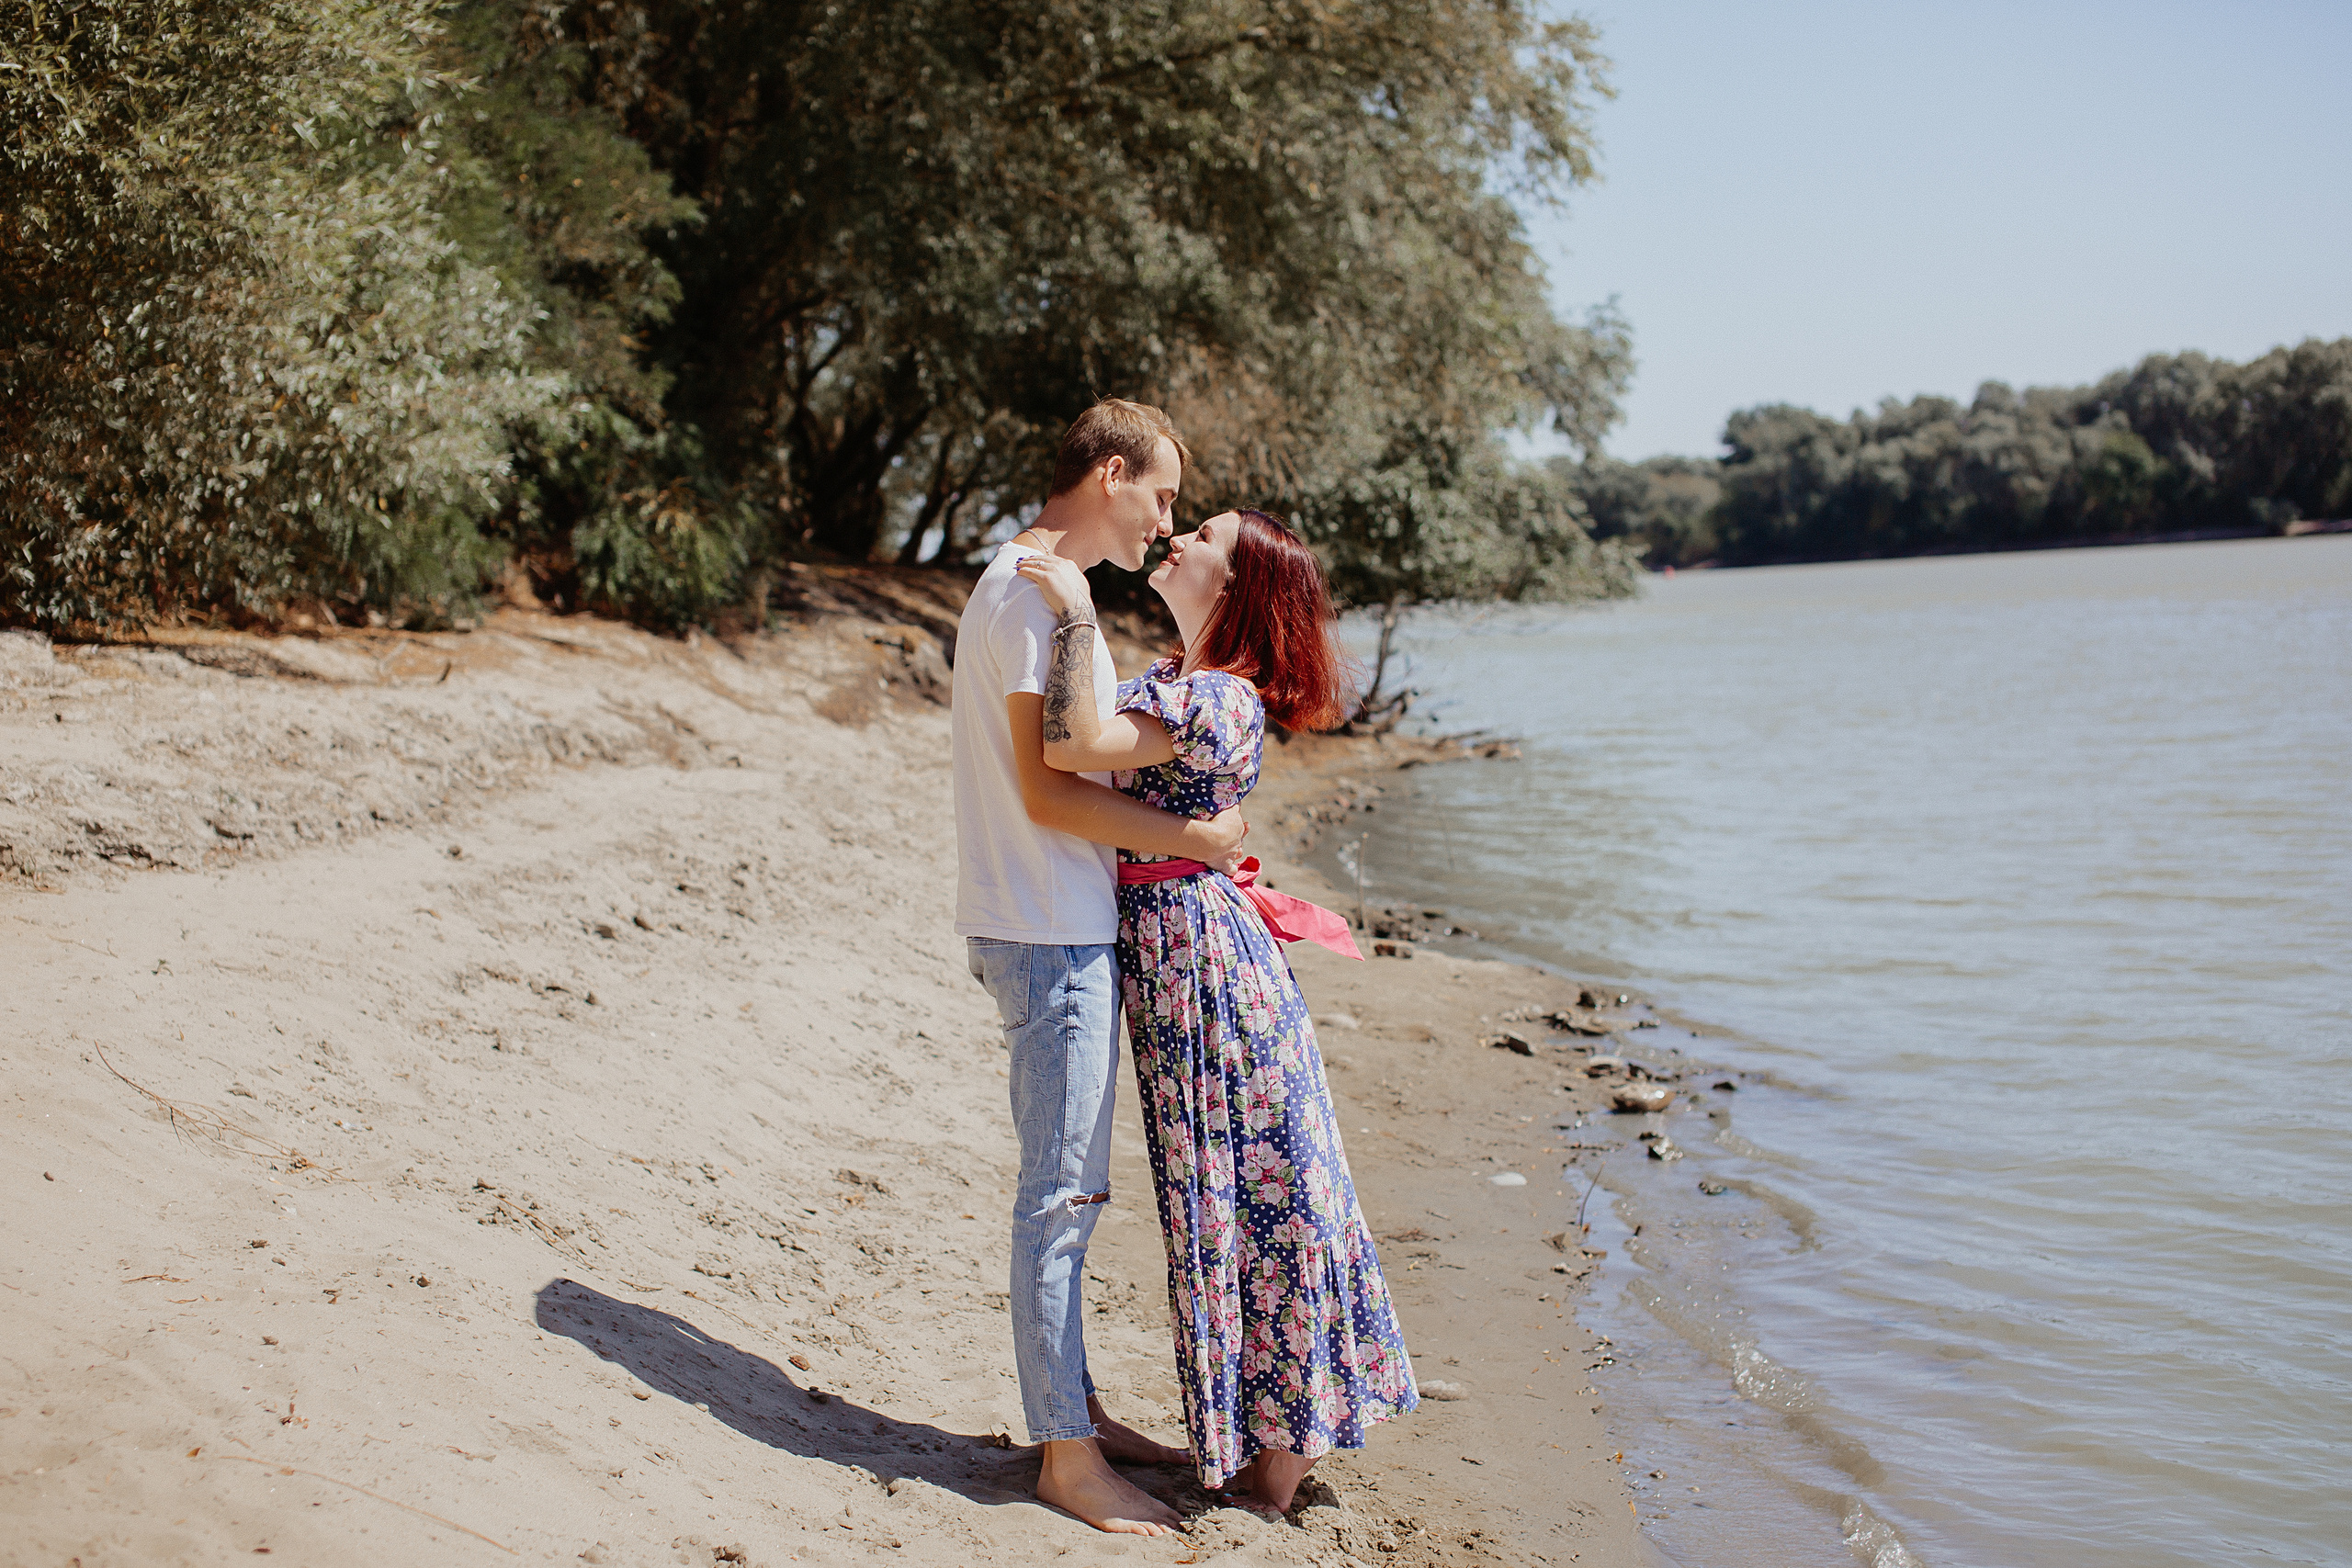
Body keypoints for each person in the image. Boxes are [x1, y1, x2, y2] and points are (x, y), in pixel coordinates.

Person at [1015, 508, 1418, 1518]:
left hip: (1207, 971)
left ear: (1235, 587)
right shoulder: (1188, 684)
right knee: (1231, 1194)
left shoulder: (1217, 698)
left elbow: (1070, 745)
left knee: (1262, 1194)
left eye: (1201, 534)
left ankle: (1278, 1460)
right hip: (1184, 957)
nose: (1177, 538)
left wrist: (1072, 614)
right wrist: (1198, 831)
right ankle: (1263, 1445)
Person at [950, 399, 1250, 1538]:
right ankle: (1067, 1463)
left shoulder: (1033, 588)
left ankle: (1075, 1412)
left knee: (1070, 1186)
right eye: (1161, 496)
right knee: (1062, 1198)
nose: (1164, 524)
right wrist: (1194, 840)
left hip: (1040, 916)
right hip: (1042, 925)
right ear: (1110, 473)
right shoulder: (1035, 593)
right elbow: (1043, 786)